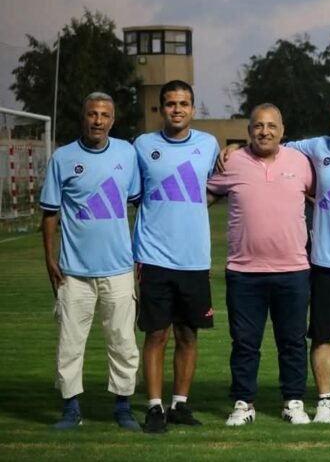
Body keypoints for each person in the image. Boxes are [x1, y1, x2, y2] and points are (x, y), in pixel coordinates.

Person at [216, 101, 330, 426]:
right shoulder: (314, 149)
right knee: (317, 337)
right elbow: (268, 145)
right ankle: (322, 402)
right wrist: (235, 148)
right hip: (325, 264)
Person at [208, 103, 314, 426]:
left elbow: (321, 196)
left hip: (293, 271)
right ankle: (244, 403)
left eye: (271, 126)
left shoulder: (300, 162)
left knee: (293, 341)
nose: (264, 132)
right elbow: (204, 196)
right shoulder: (232, 162)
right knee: (244, 343)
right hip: (244, 273)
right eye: (258, 126)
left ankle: (293, 402)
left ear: (282, 131)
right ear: (248, 131)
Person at [40, 92, 141, 430]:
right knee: (69, 344)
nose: (98, 120)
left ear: (113, 120)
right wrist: (49, 259)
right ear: (83, 117)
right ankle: (71, 409)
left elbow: (139, 205)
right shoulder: (62, 158)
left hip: (119, 269)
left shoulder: (127, 153)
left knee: (123, 342)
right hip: (74, 272)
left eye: (104, 115)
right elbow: (50, 214)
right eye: (92, 114)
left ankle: (123, 407)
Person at [133, 80, 220, 433]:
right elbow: (133, 195)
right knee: (157, 335)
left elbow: (218, 186)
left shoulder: (209, 144)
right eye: (171, 103)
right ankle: (154, 407)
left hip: (194, 259)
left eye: (183, 103)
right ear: (161, 108)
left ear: (193, 108)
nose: (177, 109)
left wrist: (196, 204)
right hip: (153, 256)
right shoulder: (143, 145)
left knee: (188, 335)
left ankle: (179, 404)